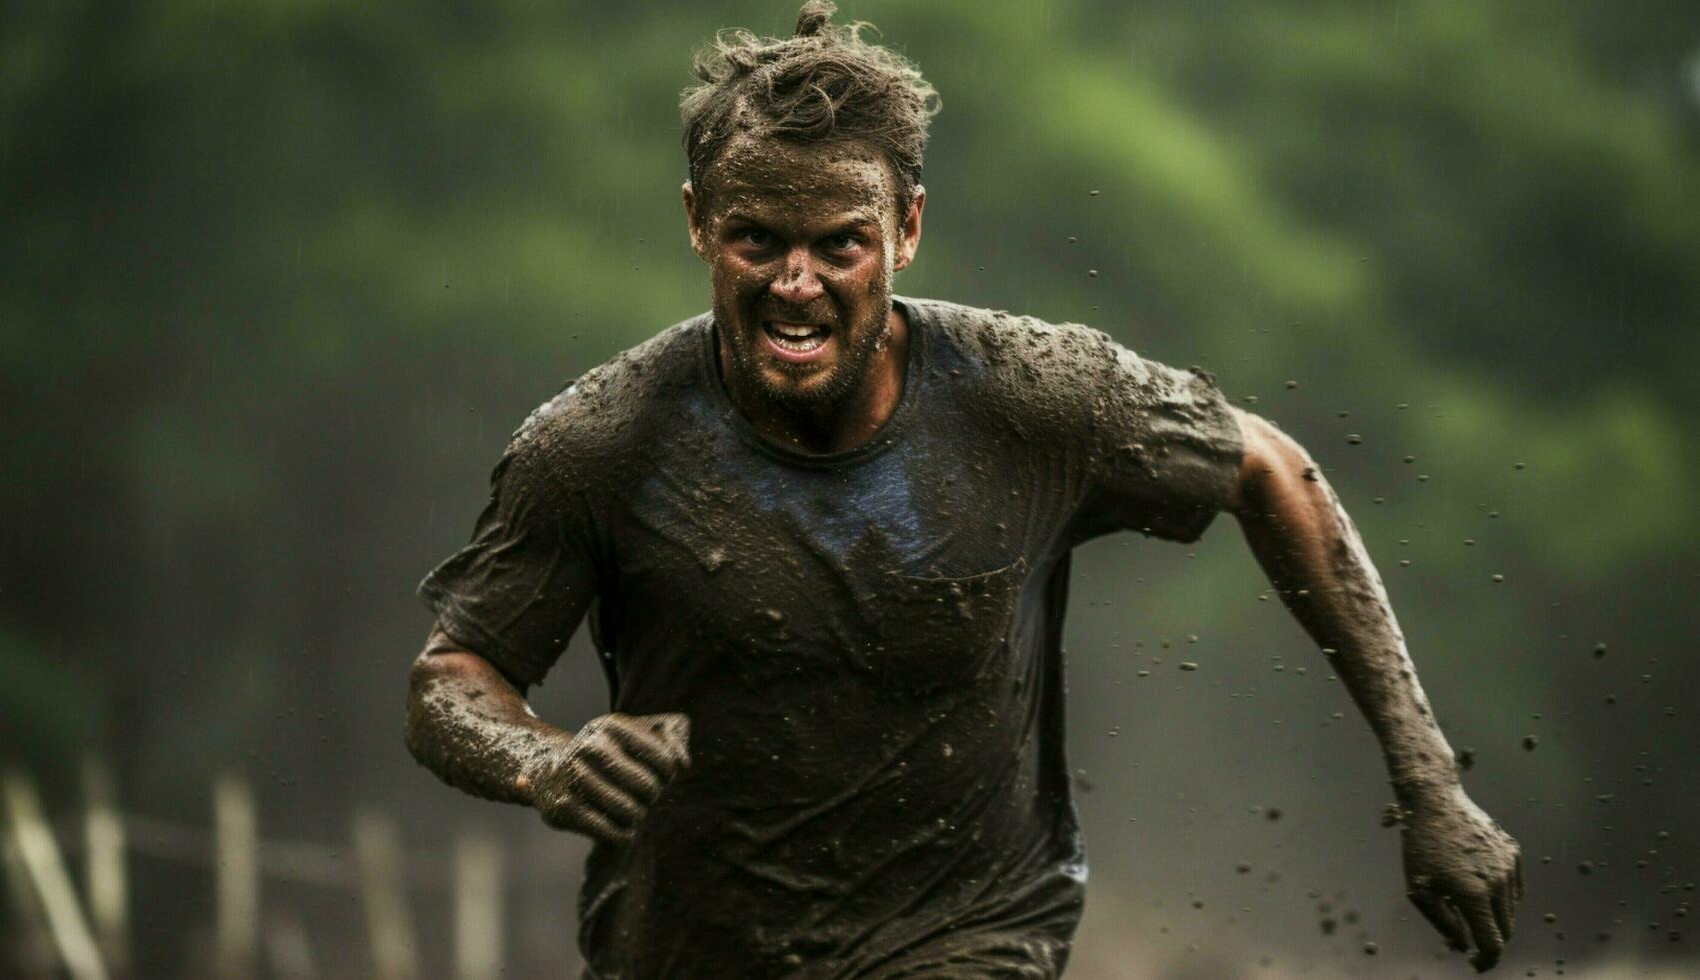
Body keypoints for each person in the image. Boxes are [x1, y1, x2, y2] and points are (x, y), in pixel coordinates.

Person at [404, 3, 1522, 976]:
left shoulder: (1033, 397)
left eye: (839, 244)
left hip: (974, 934)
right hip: (685, 950)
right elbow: (453, 679)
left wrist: (1428, 781)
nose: (795, 284)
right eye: (756, 241)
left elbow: (1272, 470)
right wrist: (544, 758)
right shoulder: (602, 443)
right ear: (699, 221)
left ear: (907, 229)